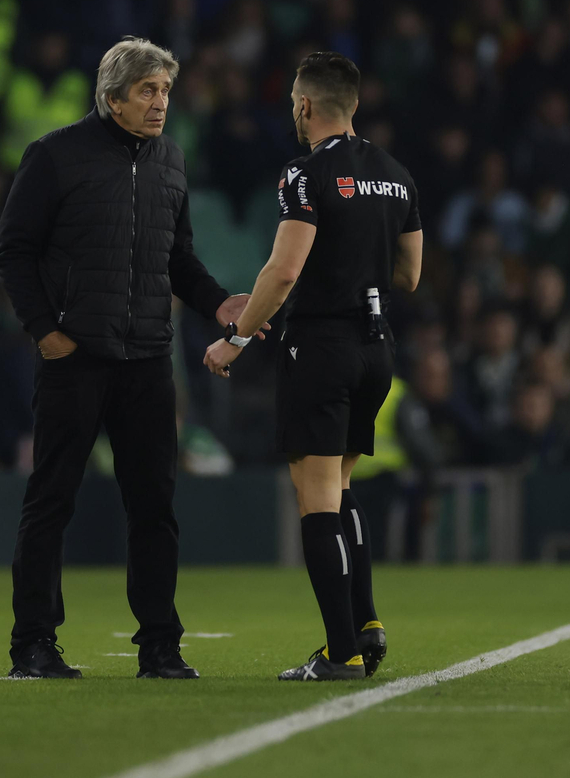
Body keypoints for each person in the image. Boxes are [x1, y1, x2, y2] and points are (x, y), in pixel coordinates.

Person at [0, 37, 254, 681]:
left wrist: (220, 304)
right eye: (148, 91)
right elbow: (13, 252)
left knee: (155, 506)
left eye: (165, 90)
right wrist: (44, 331)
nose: (161, 103)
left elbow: (178, 261)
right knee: (51, 500)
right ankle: (33, 644)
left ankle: (160, 645)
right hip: (75, 356)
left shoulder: (170, 161)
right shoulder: (53, 157)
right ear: (112, 98)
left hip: (146, 360)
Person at [202, 52, 423, 681]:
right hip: (377, 347)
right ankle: (366, 621)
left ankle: (340, 652)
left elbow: (284, 269)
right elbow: (410, 274)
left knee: (316, 495)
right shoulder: (395, 174)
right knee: (341, 485)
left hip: (321, 346)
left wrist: (235, 341)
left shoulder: (303, 174)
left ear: (304, 106)